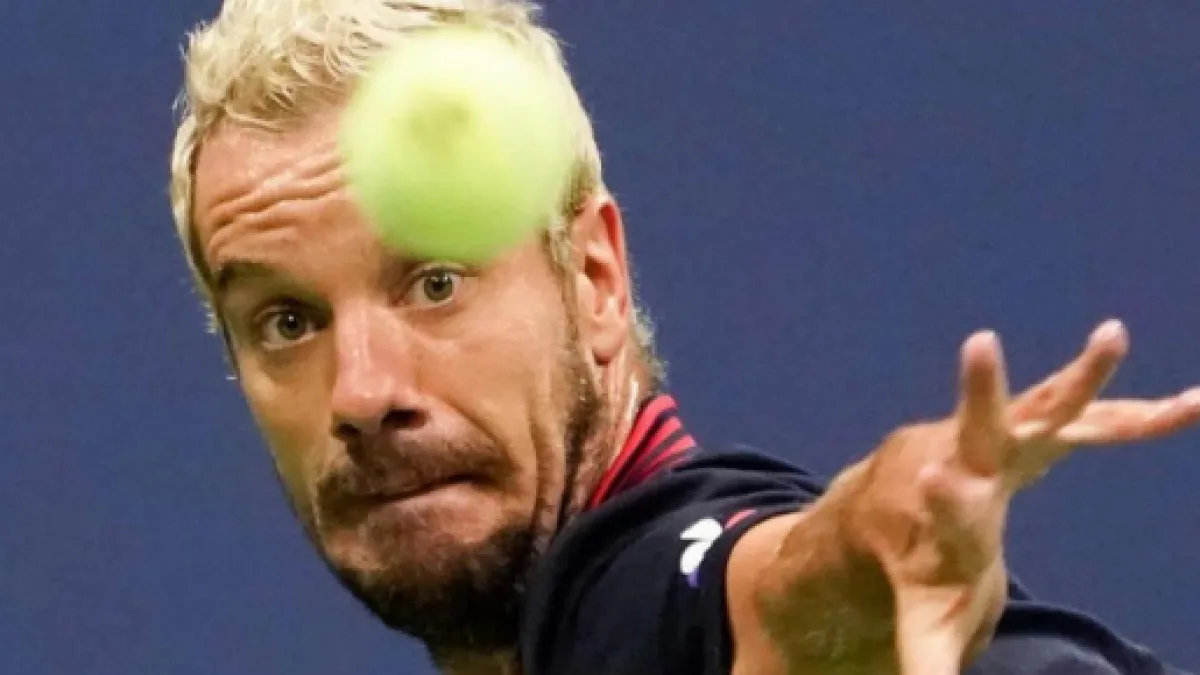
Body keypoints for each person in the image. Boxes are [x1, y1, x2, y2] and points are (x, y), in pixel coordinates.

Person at [169, 1, 1199, 673]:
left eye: (436, 282)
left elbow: (764, 592)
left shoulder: (626, 594)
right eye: (287, 321)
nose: (360, 391)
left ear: (595, 281)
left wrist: (857, 566)